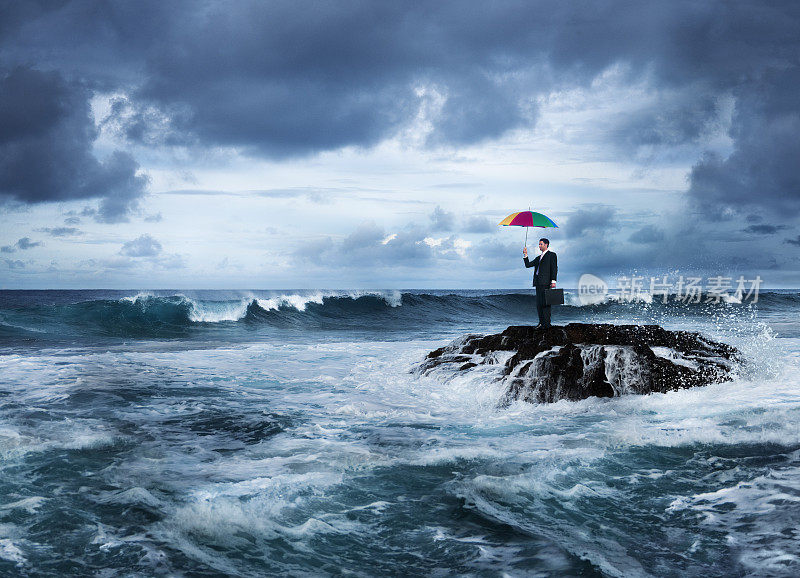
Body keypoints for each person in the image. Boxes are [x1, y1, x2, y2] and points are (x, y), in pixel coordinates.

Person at [523, 238, 557, 327]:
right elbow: (528, 265)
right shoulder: (538, 257)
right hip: (538, 282)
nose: (539, 246)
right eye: (539, 244)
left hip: (546, 282)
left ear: (546, 245)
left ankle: (547, 323)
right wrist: (525, 255)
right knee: (539, 304)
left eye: (541, 244)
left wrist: (553, 281)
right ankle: (541, 322)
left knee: (546, 303)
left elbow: (554, 268)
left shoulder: (552, 255)